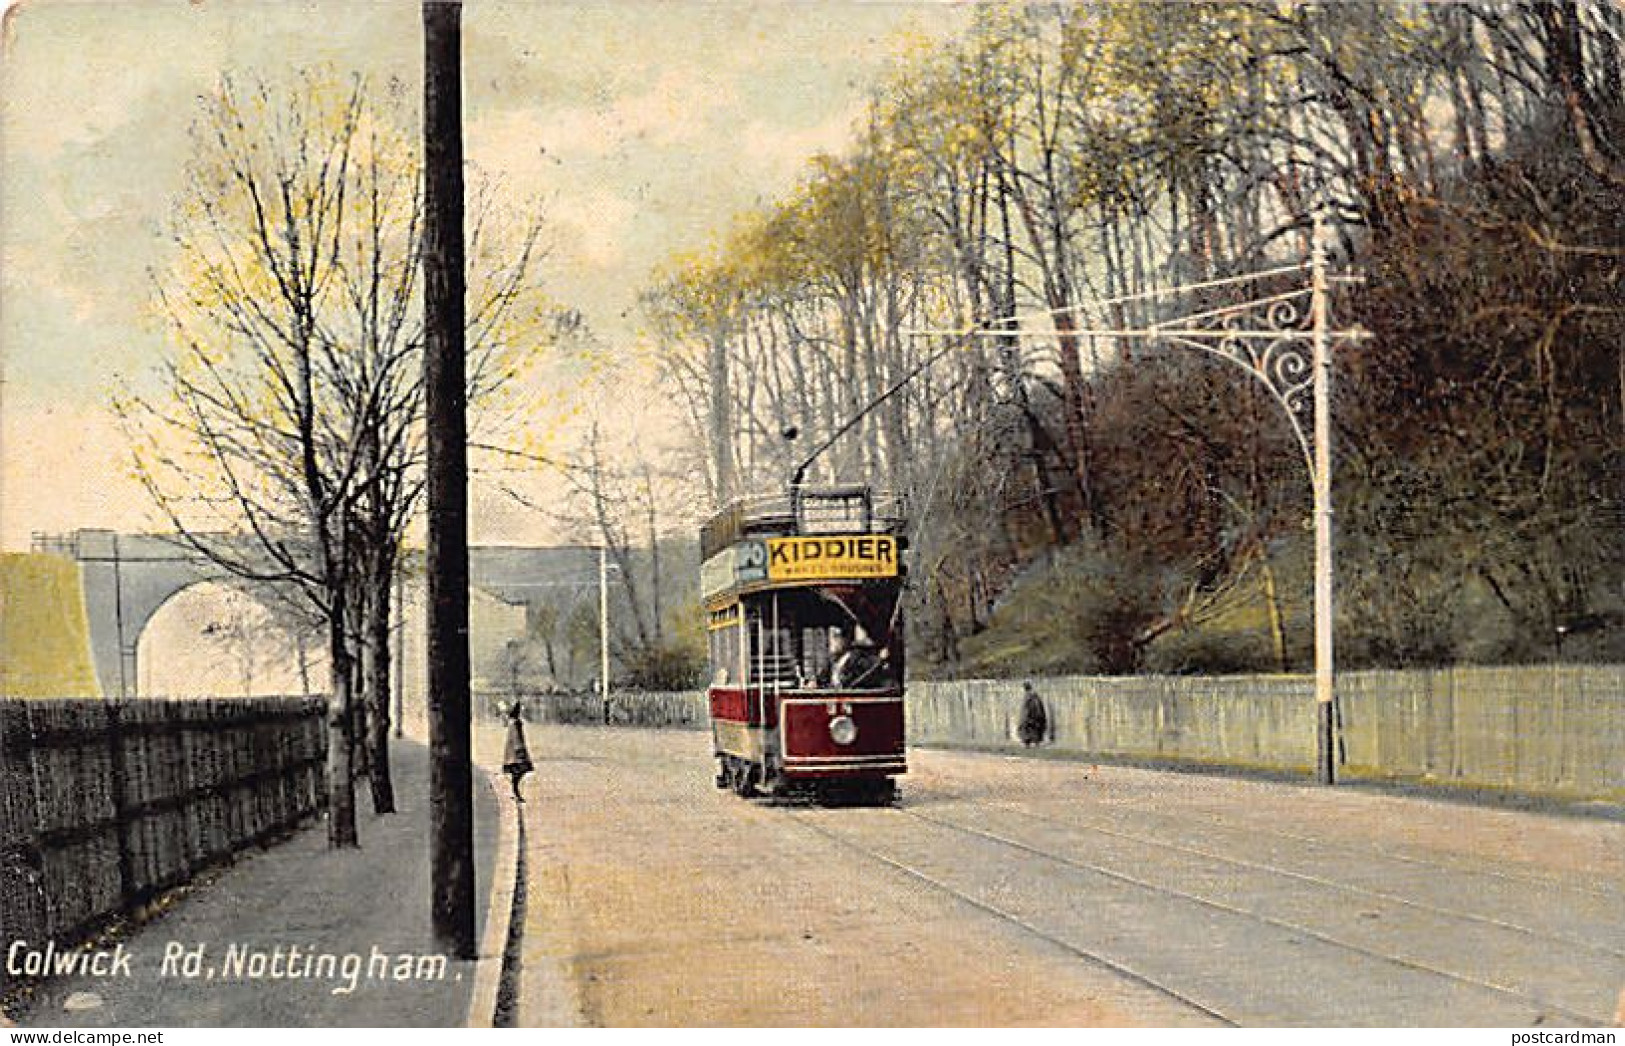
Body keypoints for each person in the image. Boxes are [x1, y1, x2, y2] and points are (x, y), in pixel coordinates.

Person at [502, 701, 534, 803]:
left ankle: (515, 792)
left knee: (517, 773)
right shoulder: (515, 723)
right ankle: (516, 793)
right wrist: (519, 750)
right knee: (519, 771)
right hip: (516, 752)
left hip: (513, 752)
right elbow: (516, 737)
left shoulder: (513, 722)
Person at [1018, 681, 1048, 748]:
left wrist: (1026, 717)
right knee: (1032, 730)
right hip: (1032, 717)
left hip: (1031, 717)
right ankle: (1032, 743)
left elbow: (1027, 708)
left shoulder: (1030, 696)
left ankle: (1030, 743)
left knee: (1029, 729)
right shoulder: (1033, 696)